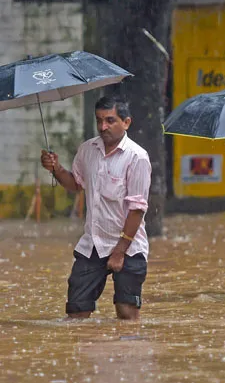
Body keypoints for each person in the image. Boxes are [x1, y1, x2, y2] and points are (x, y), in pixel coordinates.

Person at [40, 96, 151, 320]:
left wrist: (120, 251)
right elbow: (75, 184)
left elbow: (137, 209)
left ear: (126, 122)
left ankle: (126, 354)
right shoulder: (87, 149)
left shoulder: (137, 157)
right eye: (99, 120)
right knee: (76, 313)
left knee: (127, 313)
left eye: (110, 120)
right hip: (93, 243)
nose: (103, 127)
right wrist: (56, 168)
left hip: (128, 246)